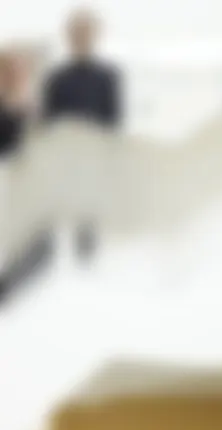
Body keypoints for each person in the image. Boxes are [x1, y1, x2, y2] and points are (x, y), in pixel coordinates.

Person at [42, 10, 120, 260]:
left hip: (94, 150)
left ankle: (86, 255)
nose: (82, 38)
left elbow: (113, 117)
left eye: (87, 33)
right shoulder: (56, 78)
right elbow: (48, 119)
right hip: (65, 150)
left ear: (95, 37)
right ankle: (51, 254)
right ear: (69, 38)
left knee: (88, 210)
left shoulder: (108, 76)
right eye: (77, 34)